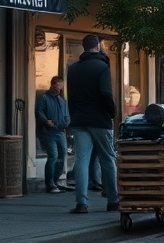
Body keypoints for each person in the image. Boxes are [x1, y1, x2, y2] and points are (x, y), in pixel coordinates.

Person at [65, 34, 119, 214]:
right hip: (100, 120)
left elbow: (71, 98)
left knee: (81, 160)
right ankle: (113, 200)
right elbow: (106, 94)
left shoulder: (73, 69)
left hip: (80, 119)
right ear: (97, 47)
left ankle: (81, 203)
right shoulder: (102, 67)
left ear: (84, 48)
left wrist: (74, 116)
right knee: (107, 158)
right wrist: (112, 112)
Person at [35, 75, 70, 193]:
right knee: (53, 156)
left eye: (61, 86)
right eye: (58, 85)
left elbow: (66, 115)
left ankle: (55, 181)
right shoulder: (45, 98)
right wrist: (46, 121)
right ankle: (49, 183)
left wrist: (65, 122)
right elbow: (38, 111)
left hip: (60, 131)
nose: (60, 88)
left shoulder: (61, 100)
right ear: (53, 84)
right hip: (49, 132)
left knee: (62, 156)